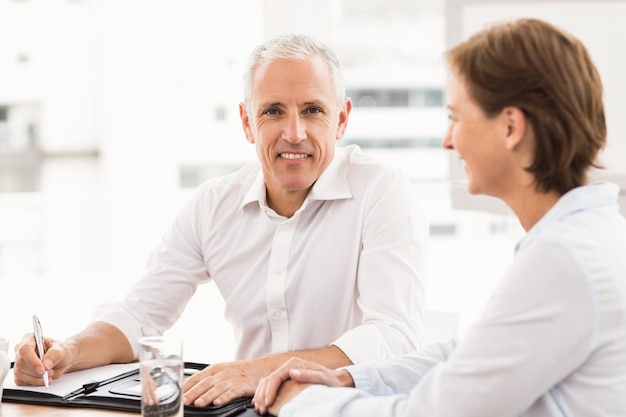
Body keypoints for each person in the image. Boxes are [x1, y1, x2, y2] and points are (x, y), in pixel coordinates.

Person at [12, 33, 428, 408]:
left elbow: (393, 338)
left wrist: (258, 369)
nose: (295, 132)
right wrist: (67, 350)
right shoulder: (214, 204)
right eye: (273, 112)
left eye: (313, 110)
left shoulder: (381, 189)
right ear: (247, 122)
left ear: (341, 118)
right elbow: (141, 316)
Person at [252, 18, 626, 417]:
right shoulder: (585, 236)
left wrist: (303, 402)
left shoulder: (562, 259)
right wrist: (350, 378)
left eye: (456, 117)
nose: (448, 140)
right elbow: (470, 353)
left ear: (511, 127)